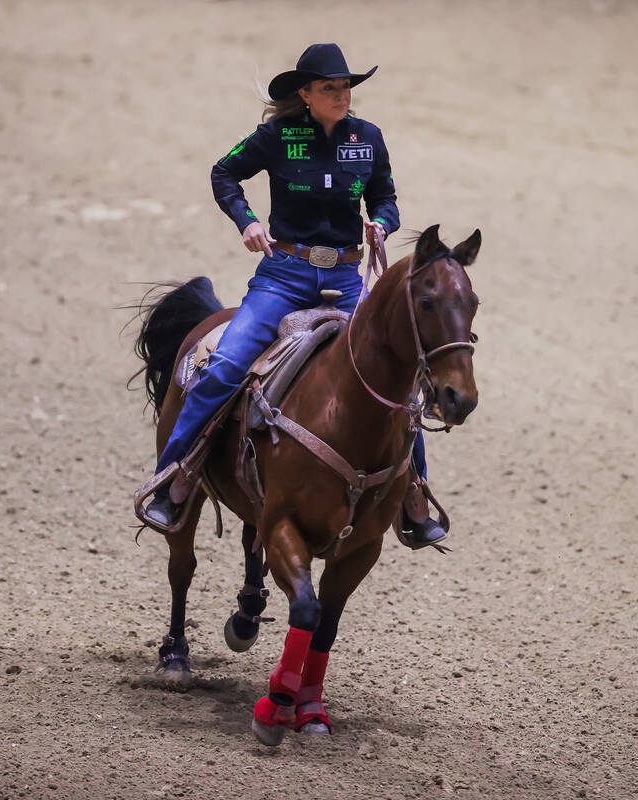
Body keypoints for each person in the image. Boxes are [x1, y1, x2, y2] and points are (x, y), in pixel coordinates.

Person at [143, 43, 445, 549]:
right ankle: (175, 476)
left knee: (400, 382)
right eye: (330, 88)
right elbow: (224, 172)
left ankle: (414, 493)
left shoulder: (367, 139)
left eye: (347, 86)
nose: (342, 95)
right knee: (225, 364)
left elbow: (386, 196)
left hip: (349, 278)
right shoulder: (278, 136)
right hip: (283, 276)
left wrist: (382, 224)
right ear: (305, 94)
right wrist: (247, 221)